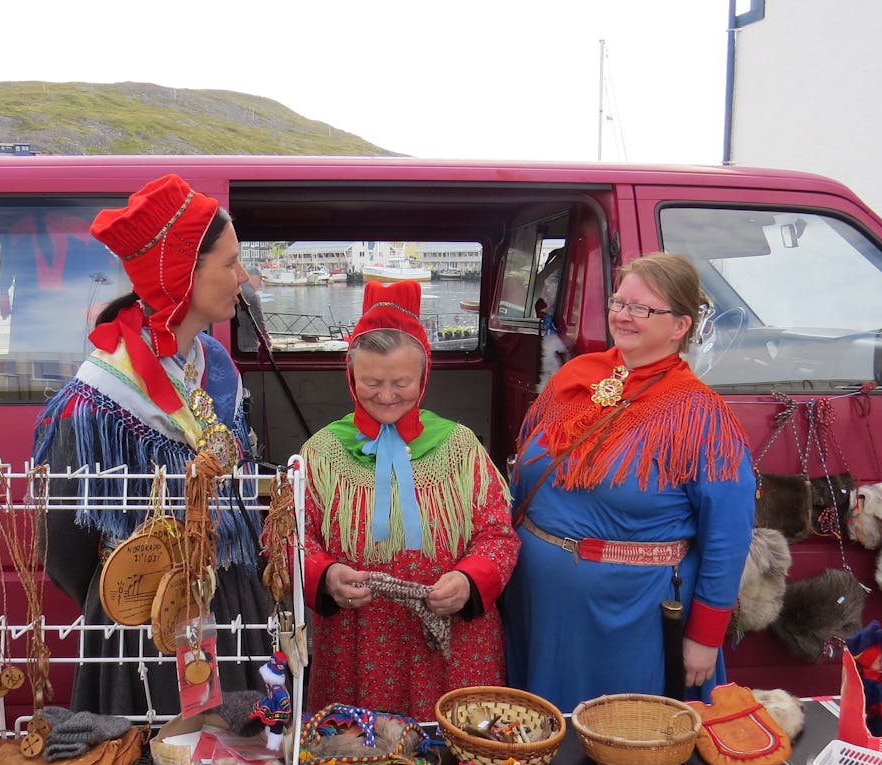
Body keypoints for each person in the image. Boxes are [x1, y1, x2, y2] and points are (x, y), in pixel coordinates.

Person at [32, 173, 273, 716]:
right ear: (184, 273)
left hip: (231, 603)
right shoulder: (98, 401)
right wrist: (133, 590)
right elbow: (65, 547)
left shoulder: (216, 367)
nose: (243, 277)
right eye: (230, 263)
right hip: (143, 618)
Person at [503, 252, 755, 711]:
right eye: (620, 302)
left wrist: (704, 635)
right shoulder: (575, 379)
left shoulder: (701, 417)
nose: (623, 315)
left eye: (643, 308)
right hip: (539, 605)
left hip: (628, 618)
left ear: (679, 326)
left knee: (622, 749)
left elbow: (728, 535)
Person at [299, 279, 520, 720]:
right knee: (360, 764)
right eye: (371, 382)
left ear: (423, 378)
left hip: (452, 642)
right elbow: (290, 542)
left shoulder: (460, 448)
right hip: (355, 641)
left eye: (400, 382)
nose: (385, 396)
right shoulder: (321, 453)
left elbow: (498, 535)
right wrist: (324, 575)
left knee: (453, 758)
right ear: (350, 376)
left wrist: (469, 581)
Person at [235, 265, 271, 353]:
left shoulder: (239, 291)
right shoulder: (253, 296)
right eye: (260, 279)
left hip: (237, 340)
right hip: (248, 344)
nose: (261, 283)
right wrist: (268, 343)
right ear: (252, 278)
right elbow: (259, 323)